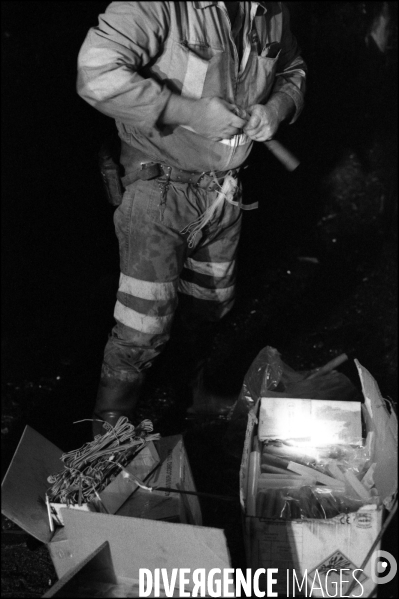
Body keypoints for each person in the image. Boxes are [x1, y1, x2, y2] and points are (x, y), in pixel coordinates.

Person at [77, 1, 306, 435]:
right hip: (159, 190)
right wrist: (191, 111)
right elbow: (95, 74)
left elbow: (293, 66)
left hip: (224, 195)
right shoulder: (157, 6)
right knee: (142, 326)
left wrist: (276, 108)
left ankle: (191, 397)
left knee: (210, 305)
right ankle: (106, 440)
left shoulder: (272, 9)